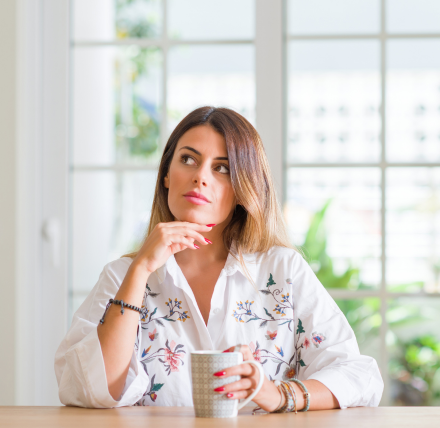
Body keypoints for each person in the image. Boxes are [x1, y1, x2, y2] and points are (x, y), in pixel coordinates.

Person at [54, 106, 384, 412]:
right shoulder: (122, 276)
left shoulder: (283, 271)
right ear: (166, 175)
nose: (201, 177)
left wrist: (276, 393)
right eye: (188, 159)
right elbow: (90, 391)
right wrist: (141, 268)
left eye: (222, 168)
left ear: (242, 190)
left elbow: (360, 376)